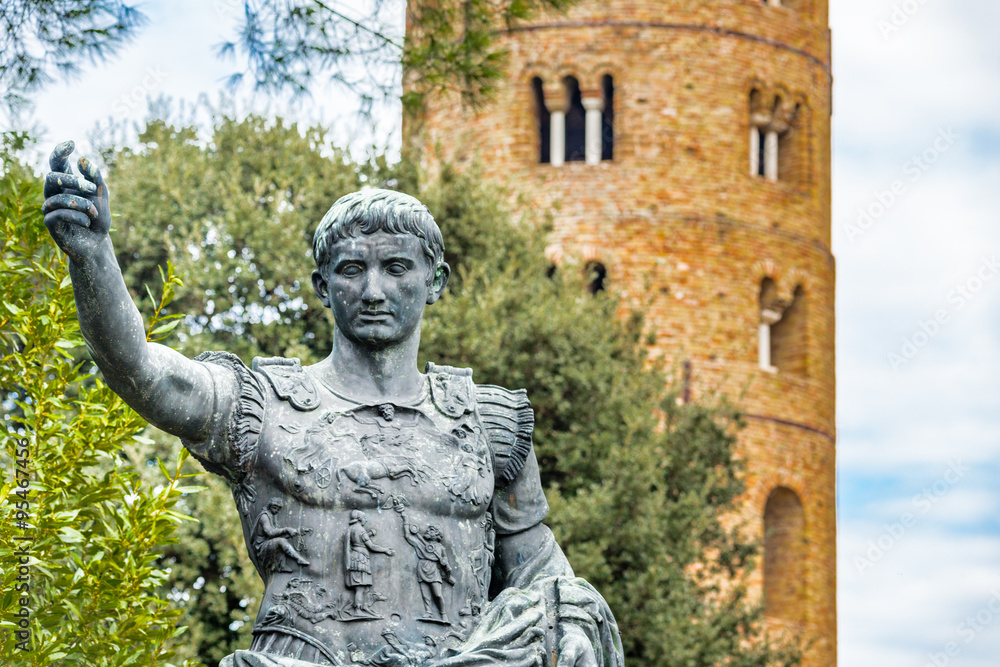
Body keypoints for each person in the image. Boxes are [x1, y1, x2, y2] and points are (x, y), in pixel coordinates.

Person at [43, 141, 623, 667]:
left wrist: (571, 623)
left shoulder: (487, 424)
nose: (373, 290)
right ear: (322, 286)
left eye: (396, 267)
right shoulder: (265, 407)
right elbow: (139, 368)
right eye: (352, 270)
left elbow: (540, 572)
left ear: (435, 281)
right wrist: (92, 254)